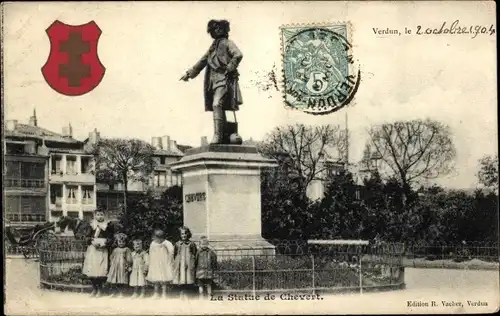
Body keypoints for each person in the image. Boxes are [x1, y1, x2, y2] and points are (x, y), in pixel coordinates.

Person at [180, 19, 243, 144]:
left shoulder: (227, 43)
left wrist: (229, 68)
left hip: (224, 80)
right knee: (218, 107)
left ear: (220, 30)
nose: (212, 33)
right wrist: (189, 73)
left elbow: (238, 55)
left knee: (217, 104)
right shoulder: (213, 47)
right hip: (213, 82)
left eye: (214, 30)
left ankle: (218, 136)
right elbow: (203, 61)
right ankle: (223, 135)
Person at [82, 209, 114, 298]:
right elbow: (87, 236)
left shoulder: (108, 225)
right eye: (98, 214)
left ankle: (100, 290)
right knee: (92, 269)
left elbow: (111, 237)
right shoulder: (92, 224)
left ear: (104, 215)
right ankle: (94, 289)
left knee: (100, 270)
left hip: (102, 249)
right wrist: (92, 242)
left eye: (101, 214)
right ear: (95, 216)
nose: (100, 216)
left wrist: (105, 244)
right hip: (93, 248)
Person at [146, 229, 174, 299]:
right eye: (156, 238)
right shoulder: (153, 243)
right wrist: (150, 262)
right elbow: (151, 252)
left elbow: (171, 251)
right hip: (155, 263)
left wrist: (170, 260)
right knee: (156, 279)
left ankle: (164, 294)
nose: (157, 240)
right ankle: (156, 293)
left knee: (163, 279)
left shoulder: (166, 243)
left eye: (159, 239)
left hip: (164, 263)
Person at [173, 226, 197, 299]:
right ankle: (181, 293)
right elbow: (175, 254)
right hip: (180, 264)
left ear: (188, 234)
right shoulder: (177, 244)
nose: (184, 235)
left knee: (188, 278)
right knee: (181, 277)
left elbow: (194, 253)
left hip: (188, 264)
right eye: (182, 234)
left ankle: (186, 293)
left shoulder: (192, 244)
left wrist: (192, 262)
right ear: (180, 235)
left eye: (185, 234)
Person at [107, 233, 133, 298]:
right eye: (119, 242)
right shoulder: (115, 250)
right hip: (115, 267)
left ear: (125, 242)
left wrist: (129, 266)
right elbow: (112, 257)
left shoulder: (127, 249)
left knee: (121, 280)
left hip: (122, 267)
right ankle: (114, 292)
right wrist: (112, 264)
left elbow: (129, 259)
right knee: (114, 280)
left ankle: (121, 293)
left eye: (123, 242)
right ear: (117, 242)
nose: (121, 243)